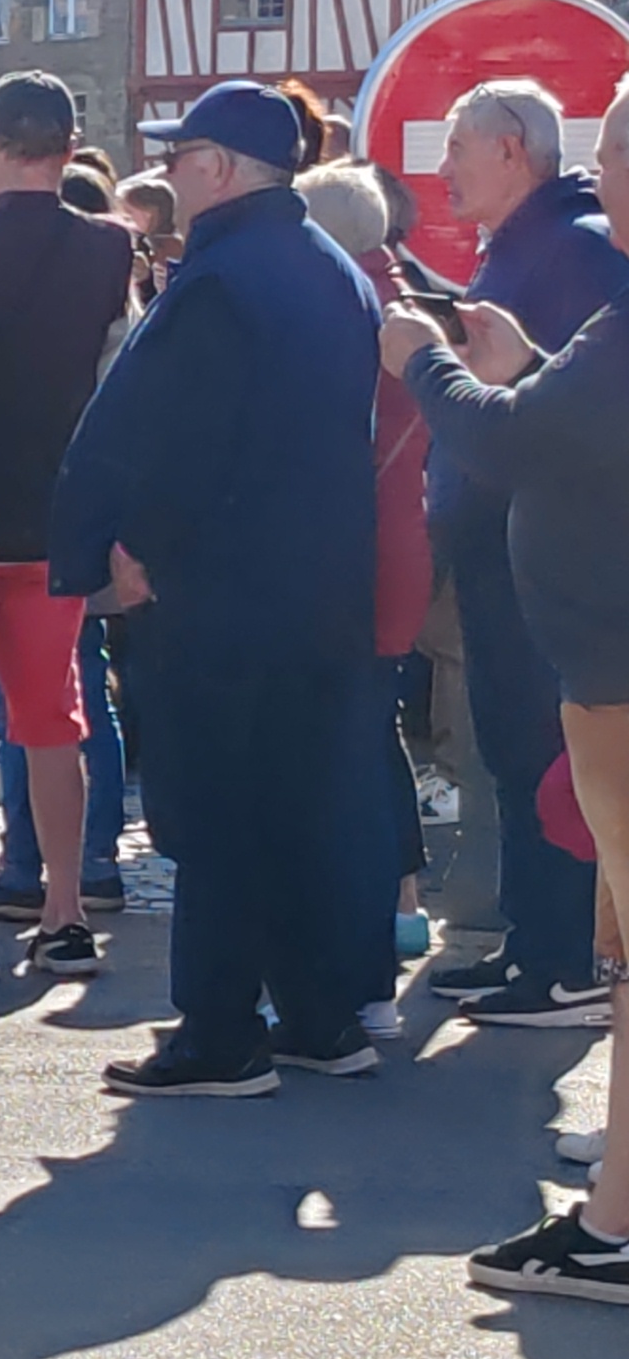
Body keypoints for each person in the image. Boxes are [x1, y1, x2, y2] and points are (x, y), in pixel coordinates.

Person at [49, 83, 387, 1095]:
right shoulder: (332, 267)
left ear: (222, 168)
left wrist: (132, 548)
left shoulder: (220, 277)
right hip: (319, 586)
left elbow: (180, 439)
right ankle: (320, 1017)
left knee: (214, 814)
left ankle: (217, 1033)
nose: (168, 172)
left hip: (221, 589)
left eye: (181, 155)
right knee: (295, 806)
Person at [390, 293, 629, 1297]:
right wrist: (527, 369)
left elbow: (512, 440)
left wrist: (422, 360)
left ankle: (614, 1228)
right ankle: (614, 1211)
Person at [422, 79, 629, 1031]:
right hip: (514, 557)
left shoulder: (576, 247)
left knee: (548, 760)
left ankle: (564, 958)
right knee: (514, 751)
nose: (442, 168)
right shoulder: (530, 244)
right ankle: (535, 943)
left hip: (563, 579)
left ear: (511, 150)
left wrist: (427, 363)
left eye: (457, 145)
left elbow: (564, 425)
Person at [0, 75, 134, 984]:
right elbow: (120, 383)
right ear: (70, 147)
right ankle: (65, 913)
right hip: (57, 515)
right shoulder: (111, 247)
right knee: (54, 721)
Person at [305, 165, 442, 998]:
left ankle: (369, 926)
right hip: (402, 544)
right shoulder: (405, 305)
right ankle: (402, 902)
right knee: (375, 730)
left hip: (356, 554)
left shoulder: (351, 315)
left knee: (348, 745)